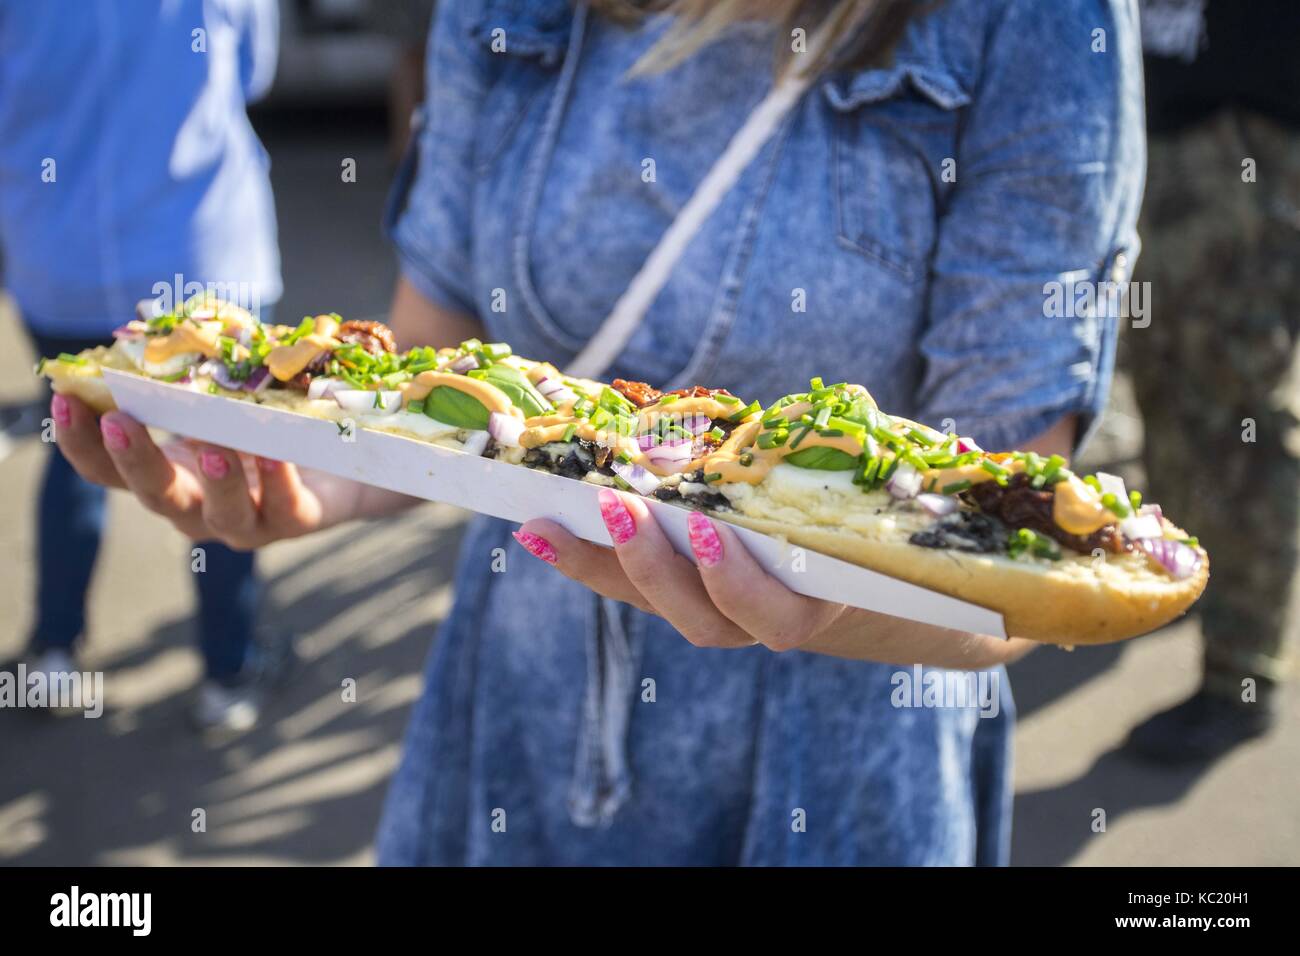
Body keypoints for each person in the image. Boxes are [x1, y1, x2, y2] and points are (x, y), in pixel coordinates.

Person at [52, 0, 1144, 864]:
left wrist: (818, 598)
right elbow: (435, 352)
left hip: (845, 755)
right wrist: (314, 487)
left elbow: (1010, 568)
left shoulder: (1042, 19)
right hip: (518, 695)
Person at [0, 0, 288, 731]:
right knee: (219, 460)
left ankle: (53, 655)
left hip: (58, 257)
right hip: (201, 261)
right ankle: (228, 673)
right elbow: (255, 75)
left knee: (74, 446)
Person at [1124, 0, 1300, 763]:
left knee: (1235, 414)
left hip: (1252, 134)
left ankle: (1240, 677)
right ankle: (1176, 578)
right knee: (1162, 385)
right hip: (1161, 134)